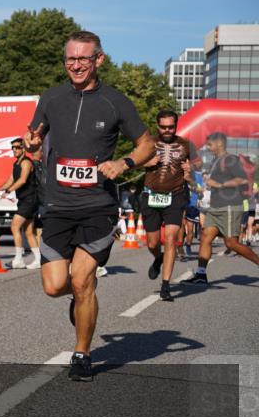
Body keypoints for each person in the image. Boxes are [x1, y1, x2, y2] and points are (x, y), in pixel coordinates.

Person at [23, 30, 155, 381]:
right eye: (71, 58)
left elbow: (147, 145)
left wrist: (124, 163)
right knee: (55, 286)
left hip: (98, 206)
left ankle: (82, 354)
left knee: (82, 279)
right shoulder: (51, 98)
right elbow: (33, 137)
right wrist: (31, 142)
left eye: (83, 58)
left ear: (99, 59)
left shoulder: (115, 102)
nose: (76, 65)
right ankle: (81, 300)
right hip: (58, 206)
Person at [181, 132, 259, 285]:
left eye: (209, 145)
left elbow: (242, 179)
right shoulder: (215, 161)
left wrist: (220, 184)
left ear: (219, 144)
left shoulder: (231, 160)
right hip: (215, 207)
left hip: (229, 206)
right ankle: (201, 275)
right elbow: (205, 188)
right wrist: (190, 180)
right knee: (205, 237)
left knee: (231, 244)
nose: (207, 148)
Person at [139, 110, 197, 301]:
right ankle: (158, 257)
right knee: (153, 243)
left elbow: (199, 164)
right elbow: (130, 162)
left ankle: (165, 286)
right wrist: (145, 163)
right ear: (157, 126)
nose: (167, 130)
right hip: (151, 196)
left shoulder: (186, 144)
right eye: (163, 127)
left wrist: (191, 169)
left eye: (171, 127)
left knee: (171, 238)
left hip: (175, 196)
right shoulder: (148, 143)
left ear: (176, 126)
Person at [0, 137, 40, 269]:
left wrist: (8, 191)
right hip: (24, 200)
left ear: (23, 149)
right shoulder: (16, 164)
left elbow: (22, 180)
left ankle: (18, 259)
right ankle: (39, 260)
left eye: (17, 147)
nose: (14, 150)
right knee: (28, 231)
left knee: (14, 227)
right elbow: (11, 179)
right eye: (13, 147)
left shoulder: (26, 163)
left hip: (30, 200)